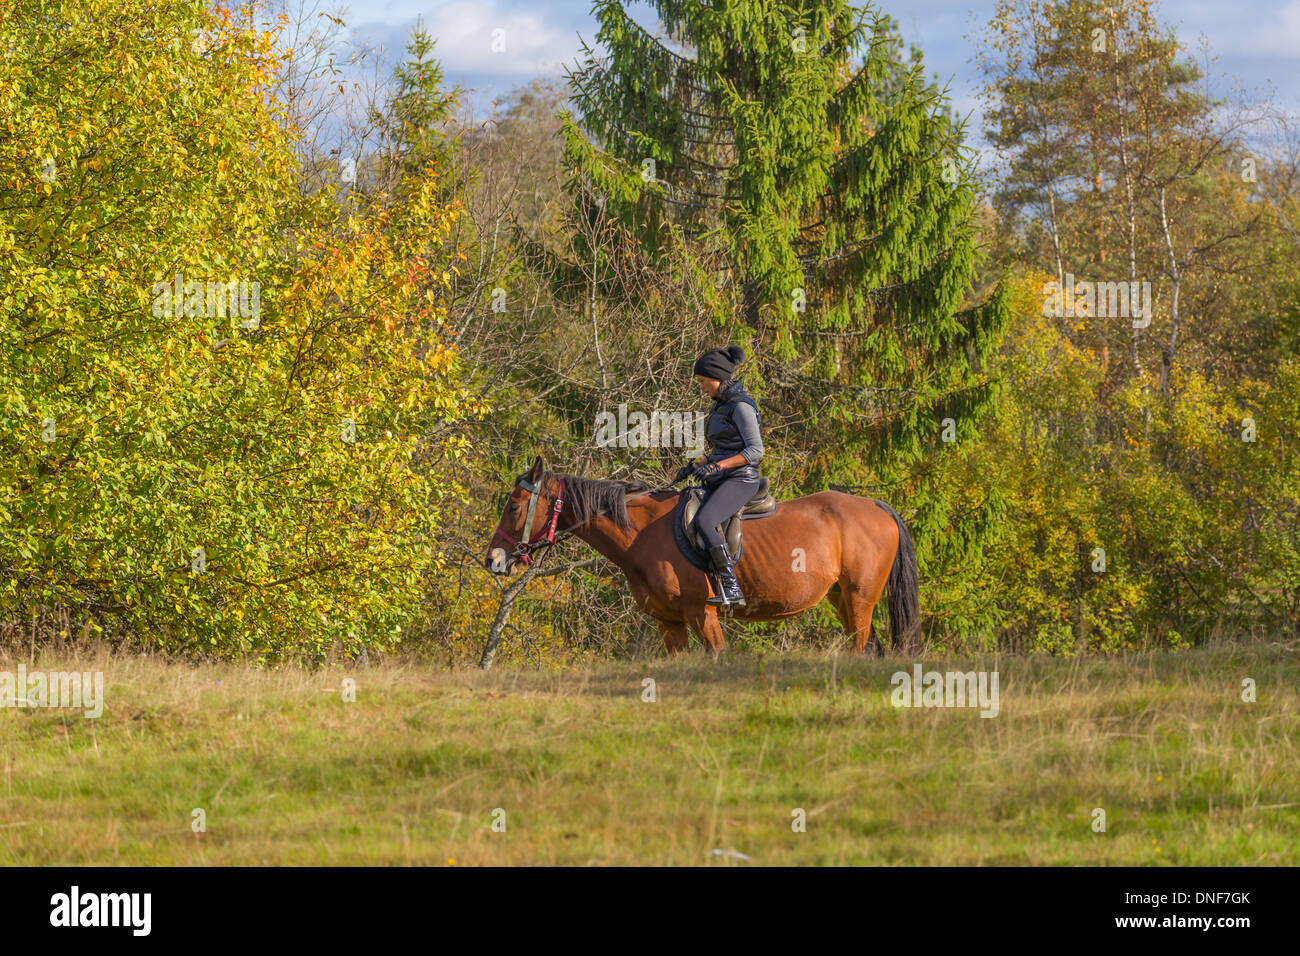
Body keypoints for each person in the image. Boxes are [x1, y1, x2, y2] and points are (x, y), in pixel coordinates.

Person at [672, 345, 764, 607]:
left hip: (742, 478)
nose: (701, 386)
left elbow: (756, 450)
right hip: (724, 475)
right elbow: (722, 449)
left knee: (706, 520)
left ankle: (731, 585)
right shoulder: (721, 406)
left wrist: (718, 467)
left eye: (702, 381)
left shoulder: (741, 407)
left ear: (716, 377)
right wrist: (695, 465)